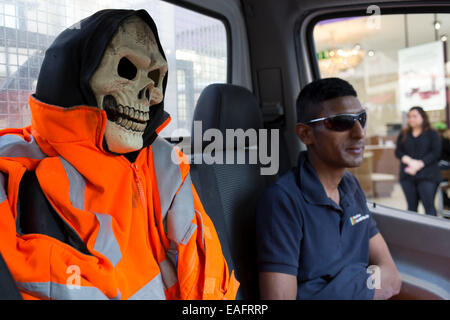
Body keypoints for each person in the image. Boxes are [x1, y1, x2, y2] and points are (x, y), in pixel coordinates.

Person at [0, 9, 239, 300]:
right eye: (127, 70)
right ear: (72, 76)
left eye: (156, 78)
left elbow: (206, 281)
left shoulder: (165, 165)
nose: (154, 95)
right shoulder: (13, 172)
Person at [256, 77, 401, 300]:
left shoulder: (350, 186)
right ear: (306, 134)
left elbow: (391, 277)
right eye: (341, 122)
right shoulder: (283, 201)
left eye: (361, 119)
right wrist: (362, 280)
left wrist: (330, 289)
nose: (359, 133)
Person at [395, 106, 442, 216]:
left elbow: (436, 153)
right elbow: (398, 151)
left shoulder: (432, 133)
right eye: (409, 116)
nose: (411, 119)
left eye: (415, 116)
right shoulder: (404, 133)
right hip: (407, 176)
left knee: (429, 207)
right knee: (411, 208)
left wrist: (419, 164)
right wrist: (409, 161)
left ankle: (432, 232)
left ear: (423, 117)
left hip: (428, 176)